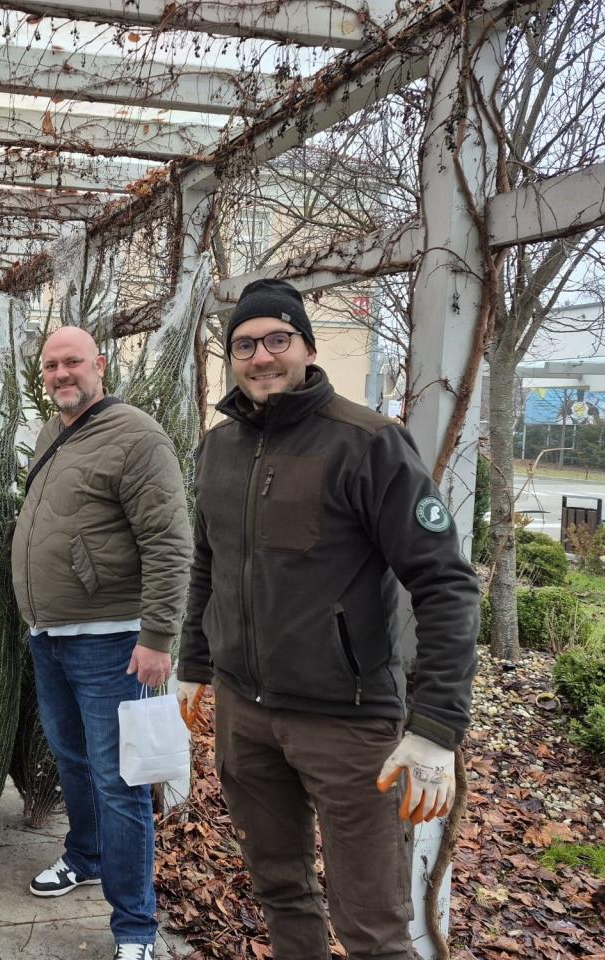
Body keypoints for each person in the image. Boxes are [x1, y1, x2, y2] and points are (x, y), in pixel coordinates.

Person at [176, 279, 481, 960]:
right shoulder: (218, 449)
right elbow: (208, 564)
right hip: (244, 716)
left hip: (347, 725)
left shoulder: (368, 443)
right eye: (245, 344)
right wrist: (195, 664)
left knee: (371, 925)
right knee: (280, 891)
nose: (261, 357)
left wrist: (435, 729)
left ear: (308, 348)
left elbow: (447, 585)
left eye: (277, 340)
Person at [10, 326, 192, 960]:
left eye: (73, 363)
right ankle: (84, 856)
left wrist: (158, 636)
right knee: (72, 760)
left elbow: (170, 543)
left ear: (100, 366)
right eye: (52, 365)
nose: (62, 374)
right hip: (49, 635)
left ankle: (136, 928)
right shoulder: (50, 433)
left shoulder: (136, 436)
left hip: (112, 642)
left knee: (121, 783)